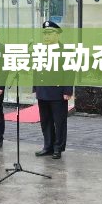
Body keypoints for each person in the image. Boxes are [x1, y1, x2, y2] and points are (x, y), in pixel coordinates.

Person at [33, 21, 74, 160]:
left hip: (58, 93)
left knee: (59, 122)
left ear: (57, 35)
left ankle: (58, 148)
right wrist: (35, 87)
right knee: (45, 121)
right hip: (43, 91)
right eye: (44, 33)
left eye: (49, 33)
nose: (46, 36)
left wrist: (68, 91)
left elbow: (69, 72)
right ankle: (48, 146)